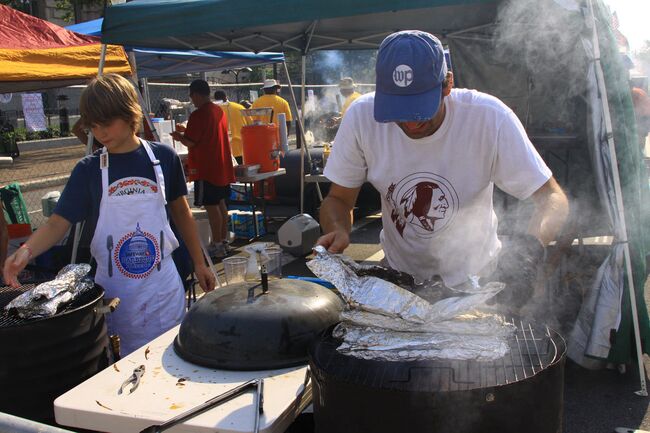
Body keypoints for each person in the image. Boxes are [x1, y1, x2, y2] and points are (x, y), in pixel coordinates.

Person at [317, 31, 569, 308]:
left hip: (478, 281)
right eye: (399, 111)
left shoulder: (489, 117)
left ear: (447, 84)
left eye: (421, 110)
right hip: (400, 281)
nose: (411, 124)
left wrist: (528, 255)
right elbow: (338, 200)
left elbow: (552, 199)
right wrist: (338, 228)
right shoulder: (362, 117)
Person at [2, 74, 215, 355]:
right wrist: (26, 250)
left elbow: (182, 213)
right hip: (116, 295)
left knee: (170, 362)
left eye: (107, 123)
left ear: (129, 114)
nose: (100, 132)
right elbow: (57, 223)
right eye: (93, 125)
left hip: (162, 290)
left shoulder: (164, 158)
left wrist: (200, 263)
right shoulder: (89, 170)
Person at [171, 80, 235, 259]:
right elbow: (206, 134)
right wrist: (186, 131)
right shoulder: (218, 111)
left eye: (191, 96)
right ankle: (222, 241)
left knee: (212, 207)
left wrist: (178, 136)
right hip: (220, 166)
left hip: (207, 168)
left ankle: (216, 244)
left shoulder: (199, 115)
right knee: (221, 204)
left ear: (196, 94)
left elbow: (191, 142)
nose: (192, 100)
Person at [214, 89, 249, 164]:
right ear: (226, 97)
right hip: (242, 148)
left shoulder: (214, 111)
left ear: (215, 99)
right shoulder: (239, 107)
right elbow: (250, 125)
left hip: (224, 150)